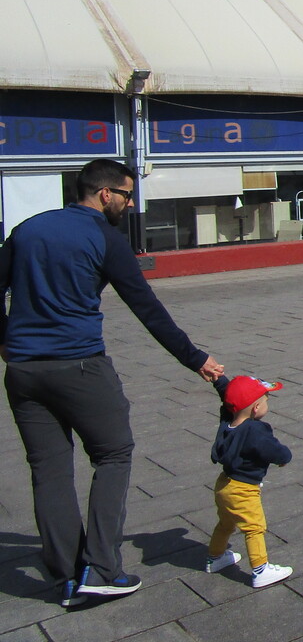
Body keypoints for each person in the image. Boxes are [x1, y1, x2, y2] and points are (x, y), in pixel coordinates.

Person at [0, 159, 224, 606]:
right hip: (80, 366)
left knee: (49, 470)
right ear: (105, 195)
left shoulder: (27, 228)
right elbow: (147, 307)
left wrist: (6, 340)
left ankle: (65, 572)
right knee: (113, 454)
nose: (130, 202)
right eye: (126, 194)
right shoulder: (105, 237)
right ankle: (102, 569)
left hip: (23, 372)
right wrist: (195, 359)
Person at [206, 376, 293, 588]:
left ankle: (215, 558)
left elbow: (228, 399)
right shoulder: (255, 430)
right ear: (256, 408)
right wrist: (284, 457)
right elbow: (273, 450)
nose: (267, 404)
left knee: (226, 523)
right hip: (243, 490)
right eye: (266, 400)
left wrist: (219, 381)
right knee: (254, 527)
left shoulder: (227, 423)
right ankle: (260, 569)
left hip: (224, 485)